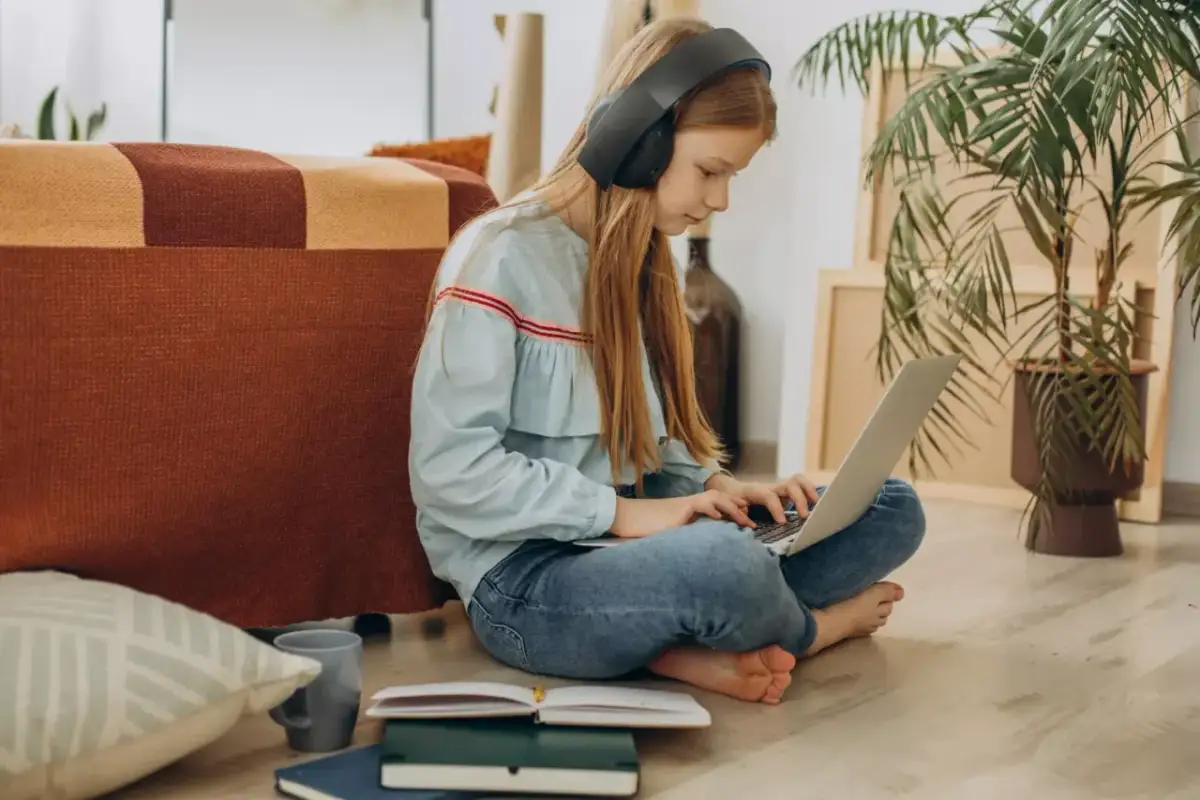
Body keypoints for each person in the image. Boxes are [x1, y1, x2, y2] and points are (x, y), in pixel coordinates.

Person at [408, 18, 925, 705]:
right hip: (527, 581)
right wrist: (623, 519)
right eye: (711, 171)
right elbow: (449, 473)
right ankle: (805, 631)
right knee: (724, 567)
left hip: (639, 554)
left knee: (890, 505)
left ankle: (682, 642)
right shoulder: (497, 255)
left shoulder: (644, 263)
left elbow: (656, 447)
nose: (720, 201)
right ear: (638, 141)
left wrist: (720, 488)